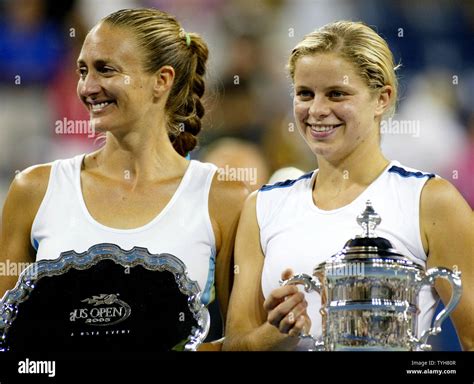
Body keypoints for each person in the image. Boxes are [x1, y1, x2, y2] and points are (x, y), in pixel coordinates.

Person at [0, 8, 248, 350]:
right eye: (82, 70)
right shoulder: (33, 190)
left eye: (106, 70)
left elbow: (238, 342)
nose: (87, 87)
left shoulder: (223, 199)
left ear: (162, 80)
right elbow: (6, 336)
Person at [223, 21, 473, 351]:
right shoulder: (263, 206)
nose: (317, 110)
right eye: (305, 94)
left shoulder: (430, 201)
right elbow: (235, 346)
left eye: (337, 94)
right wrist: (280, 329)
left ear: (382, 98)